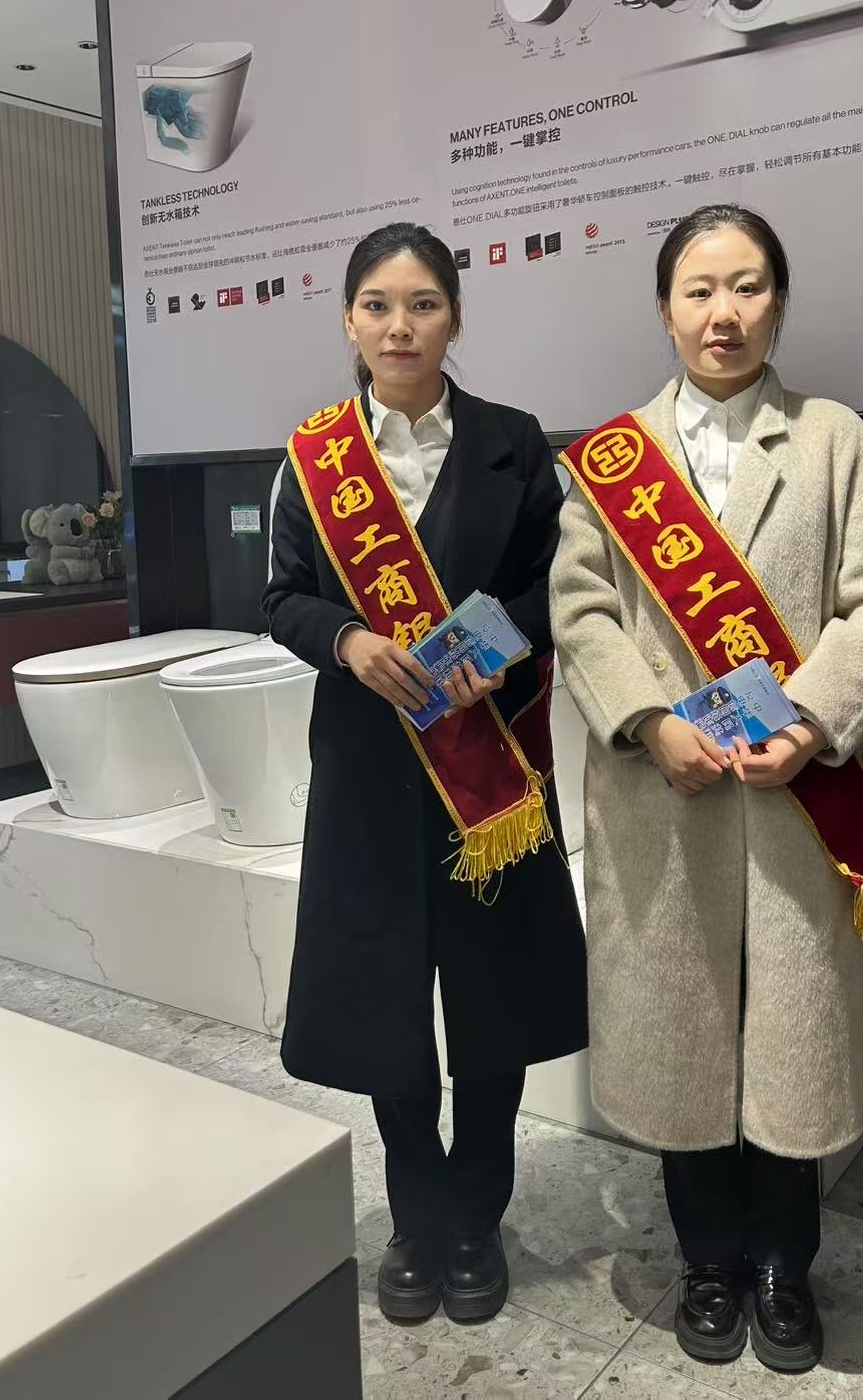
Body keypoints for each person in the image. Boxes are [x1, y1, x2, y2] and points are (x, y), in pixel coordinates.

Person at [550, 205, 863, 1375]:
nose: (724, 312)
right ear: (664, 310)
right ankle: (707, 1260)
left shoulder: (831, 440)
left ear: (778, 303)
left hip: (790, 801)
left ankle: (780, 1267)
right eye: (699, 290)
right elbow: (580, 611)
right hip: (662, 801)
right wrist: (648, 720)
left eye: (747, 286)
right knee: (683, 1034)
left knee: (788, 1038)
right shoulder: (608, 460)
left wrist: (809, 722)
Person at [263, 221, 587, 1328]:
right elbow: (281, 597)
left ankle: (476, 1217)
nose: (399, 327)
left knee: (494, 1003)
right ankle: (416, 1214)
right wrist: (349, 641)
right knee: (384, 1005)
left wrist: (497, 649)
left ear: (454, 317)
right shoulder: (313, 457)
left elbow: (558, 586)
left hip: (487, 767)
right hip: (367, 770)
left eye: (422, 305)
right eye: (377, 306)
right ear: (348, 319)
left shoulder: (513, 441)